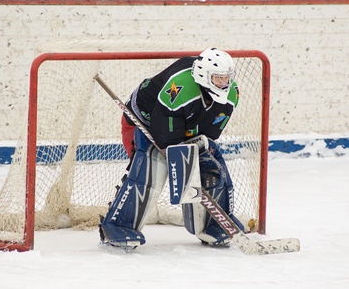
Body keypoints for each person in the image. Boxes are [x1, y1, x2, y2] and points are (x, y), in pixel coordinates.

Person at [99, 48, 245, 250]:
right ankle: (117, 223)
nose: (224, 83)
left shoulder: (231, 94)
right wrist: (185, 159)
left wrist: (199, 157)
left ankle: (214, 224)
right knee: (149, 171)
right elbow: (165, 137)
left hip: (182, 125)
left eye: (226, 78)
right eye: (218, 78)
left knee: (212, 164)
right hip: (144, 121)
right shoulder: (179, 89)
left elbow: (208, 135)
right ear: (204, 75)